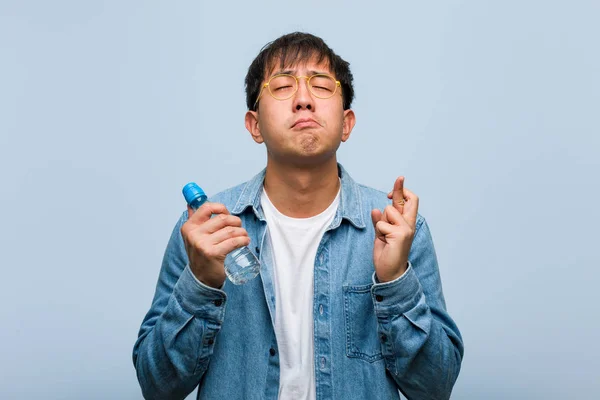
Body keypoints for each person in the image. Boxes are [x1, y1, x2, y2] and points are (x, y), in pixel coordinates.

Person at [133, 32, 464, 400]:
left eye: (321, 86)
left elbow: (436, 387)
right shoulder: (204, 231)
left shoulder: (397, 228)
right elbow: (156, 386)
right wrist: (201, 282)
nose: (304, 100)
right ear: (254, 124)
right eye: (282, 85)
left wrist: (395, 280)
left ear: (347, 123)